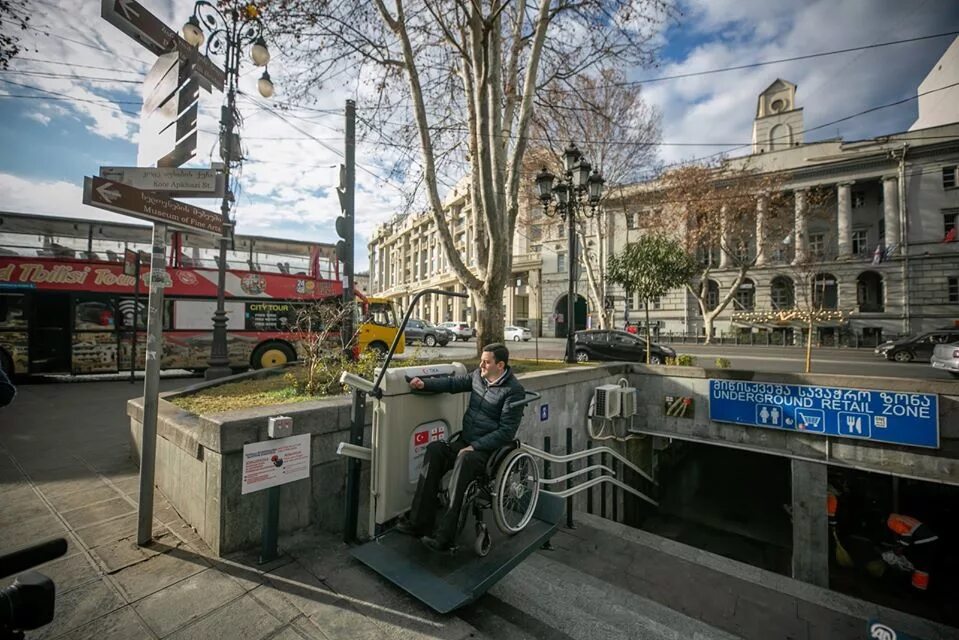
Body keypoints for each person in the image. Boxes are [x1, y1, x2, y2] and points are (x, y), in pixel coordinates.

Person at [397, 343, 526, 552]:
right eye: (482, 360)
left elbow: (506, 432)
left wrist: (475, 447)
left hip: (487, 451)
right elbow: (452, 383)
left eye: (486, 362)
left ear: (500, 365)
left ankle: (445, 537)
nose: (481, 364)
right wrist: (424, 384)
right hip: (466, 442)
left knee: (464, 461)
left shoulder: (514, 392)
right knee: (435, 450)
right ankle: (418, 523)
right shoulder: (478, 377)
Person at [881, 513, 938, 591]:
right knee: (921, 567)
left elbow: (907, 534)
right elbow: (906, 533)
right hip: (928, 540)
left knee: (920, 567)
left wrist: (900, 547)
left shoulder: (891, 521)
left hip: (924, 541)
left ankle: (916, 590)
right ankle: (918, 589)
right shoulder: (898, 517)